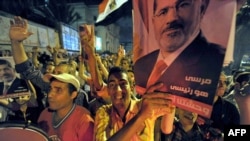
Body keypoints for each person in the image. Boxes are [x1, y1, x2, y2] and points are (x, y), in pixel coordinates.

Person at [134, 0, 225, 114]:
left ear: (201, 9)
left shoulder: (213, 61)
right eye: (163, 12)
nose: (171, 18)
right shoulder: (141, 64)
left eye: (182, 5)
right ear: (153, 22)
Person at [8, 16, 89, 108]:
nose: (54, 75)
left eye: (59, 73)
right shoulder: (48, 86)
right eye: (54, 72)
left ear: (71, 76)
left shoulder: (80, 96)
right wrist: (16, 43)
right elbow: (27, 70)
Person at [93, 66, 176, 141]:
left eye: (123, 84)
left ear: (132, 87)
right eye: (112, 85)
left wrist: (171, 90)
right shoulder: (103, 113)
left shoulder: (144, 105)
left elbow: (167, 127)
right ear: (108, 90)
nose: (118, 89)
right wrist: (141, 116)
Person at [37, 73, 94, 141]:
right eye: (50, 89)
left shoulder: (84, 121)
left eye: (58, 90)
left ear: (73, 95)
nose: (50, 95)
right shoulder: (45, 114)